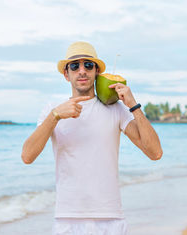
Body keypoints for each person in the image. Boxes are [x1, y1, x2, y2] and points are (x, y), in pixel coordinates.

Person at [22, 41, 162, 235]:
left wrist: (133, 105)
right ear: (66, 74)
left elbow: (155, 152)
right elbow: (27, 156)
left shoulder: (116, 109)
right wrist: (55, 116)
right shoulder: (53, 109)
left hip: (111, 218)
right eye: (75, 66)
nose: (82, 71)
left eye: (88, 65)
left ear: (96, 71)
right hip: (67, 219)